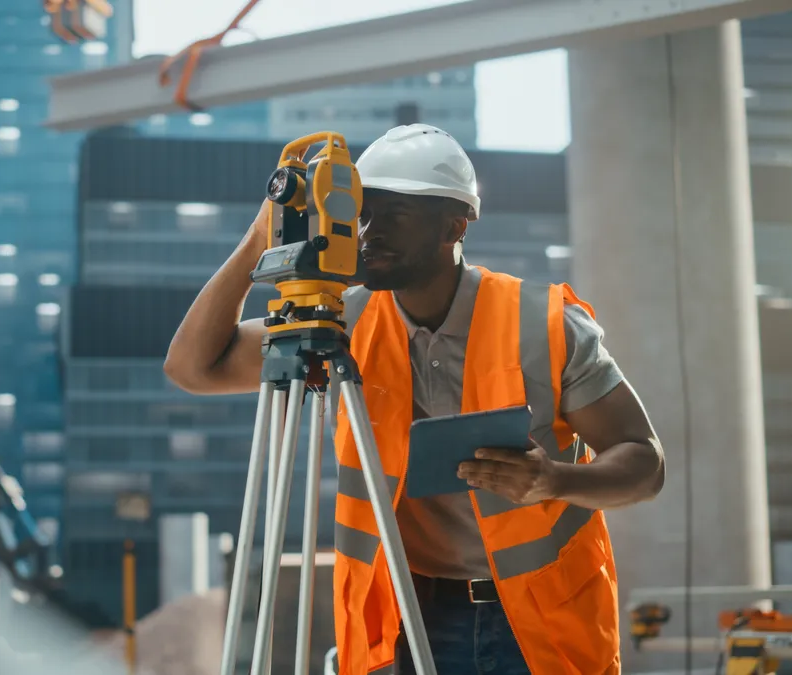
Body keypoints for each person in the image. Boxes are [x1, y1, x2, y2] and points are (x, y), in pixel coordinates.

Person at [163, 123, 665, 675]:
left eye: (395, 215)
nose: (370, 233)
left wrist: (555, 481)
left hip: (542, 623)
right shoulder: (338, 323)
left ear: (454, 225)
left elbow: (643, 462)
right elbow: (192, 367)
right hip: (410, 619)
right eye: (366, 214)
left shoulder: (543, 324)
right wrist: (264, 234)